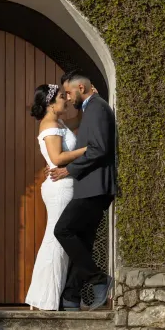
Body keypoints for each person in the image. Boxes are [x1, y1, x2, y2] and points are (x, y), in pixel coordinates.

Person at [50, 70, 117, 311]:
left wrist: (69, 170)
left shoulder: (97, 108)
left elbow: (99, 149)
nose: (67, 98)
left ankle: (99, 280)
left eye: (68, 92)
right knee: (84, 243)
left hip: (94, 187)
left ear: (81, 88)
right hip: (91, 187)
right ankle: (71, 296)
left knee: (64, 230)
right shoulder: (91, 108)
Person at [25, 83, 87, 311]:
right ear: (50, 103)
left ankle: (47, 297)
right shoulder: (50, 125)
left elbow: (79, 120)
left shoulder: (59, 122)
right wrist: (88, 149)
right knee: (56, 241)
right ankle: (44, 298)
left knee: (58, 240)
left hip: (65, 185)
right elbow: (58, 158)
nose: (66, 100)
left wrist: (83, 95)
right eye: (62, 97)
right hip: (60, 188)